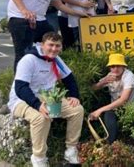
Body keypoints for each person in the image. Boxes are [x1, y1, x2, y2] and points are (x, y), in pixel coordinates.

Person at [7, 32, 84, 166]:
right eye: (50, 45)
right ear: (42, 45)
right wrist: (37, 105)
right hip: (21, 99)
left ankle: (71, 149)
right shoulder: (29, 60)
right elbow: (20, 88)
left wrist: (74, 95)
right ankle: (39, 157)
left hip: (47, 98)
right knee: (41, 117)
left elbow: (69, 79)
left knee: (77, 110)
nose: (54, 49)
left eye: (57, 46)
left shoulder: (56, 59)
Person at [89, 53, 134, 144]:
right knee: (109, 114)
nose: (115, 69)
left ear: (123, 66)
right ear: (110, 67)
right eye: (113, 66)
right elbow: (92, 88)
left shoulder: (129, 76)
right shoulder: (110, 75)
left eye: (118, 66)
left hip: (132, 108)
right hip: (116, 109)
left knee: (106, 111)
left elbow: (123, 100)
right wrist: (103, 82)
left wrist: (99, 110)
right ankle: (111, 143)